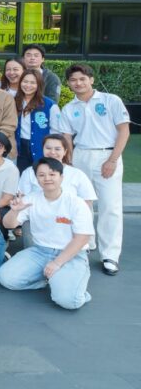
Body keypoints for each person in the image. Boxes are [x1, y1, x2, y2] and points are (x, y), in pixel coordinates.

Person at [55, 63, 130, 277]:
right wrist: (69, 162)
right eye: (73, 80)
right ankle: (86, 243)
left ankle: (110, 255)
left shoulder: (110, 100)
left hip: (107, 155)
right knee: (81, 204)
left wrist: (112, 160)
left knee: (110, 206)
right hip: (81, 155)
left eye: (82, 79)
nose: (78, 83)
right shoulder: (69, 108)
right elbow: (67, 138)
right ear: (69, 84)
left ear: (91, 79)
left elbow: (123, 131)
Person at [0, 158, 93, 309]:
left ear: (61, 177)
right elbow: (8, 224)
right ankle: (51, 279)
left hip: (71, 255)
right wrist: (14, 211)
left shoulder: (76, 203)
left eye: (52, 174)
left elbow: (82, 238)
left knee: (68, 301)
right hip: (40, 251)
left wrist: (57, 263)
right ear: (37, 178)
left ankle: (74, 289)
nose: (47, 178)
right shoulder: (30, 199)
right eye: (41, 175)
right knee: (6, 278)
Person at [13, 69, 63, 171]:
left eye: (33, 83)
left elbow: (56, 131)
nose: (28, 85)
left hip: (41, 147)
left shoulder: (49, 105)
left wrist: (51, 149)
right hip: (20, 148)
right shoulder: (14, 101)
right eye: (25, 81)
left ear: (39, 85)